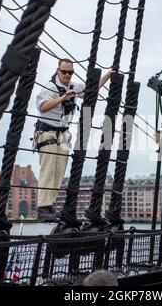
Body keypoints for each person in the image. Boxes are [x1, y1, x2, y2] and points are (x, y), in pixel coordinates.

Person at [35, 58, 112, 222]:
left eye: (70, 72)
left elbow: (93, 88)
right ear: (58, 70)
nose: (67, 75)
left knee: (59, 171)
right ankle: (42, 207)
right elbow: (42, 107)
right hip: (47, 133)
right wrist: (62, 98)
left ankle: (49, 206)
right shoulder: (49, 88)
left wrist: (109, 75)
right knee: (48, 169)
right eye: (64, 72)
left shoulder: (74, 87)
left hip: (63, 134)